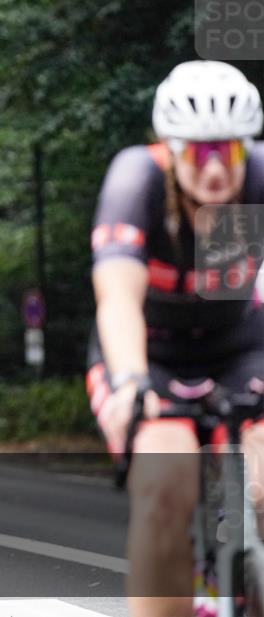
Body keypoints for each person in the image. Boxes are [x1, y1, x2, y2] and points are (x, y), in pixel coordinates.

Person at [87, 60, 264, 617]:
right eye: (198, 152)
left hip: (241, 346)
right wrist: (131, 381)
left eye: (227, 151)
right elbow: (118, 296)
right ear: (170, 150)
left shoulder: (260, 180)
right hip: (150, 353)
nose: (214, 169)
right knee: (164, 482)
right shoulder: (135, 179)